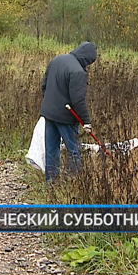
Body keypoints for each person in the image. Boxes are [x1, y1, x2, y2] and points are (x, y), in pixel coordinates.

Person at [40, 41, 97, 182]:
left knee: (51, 149)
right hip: (66, 117)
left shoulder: (56, 60)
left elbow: (44, 86)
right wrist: (86, 121)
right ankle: (72, 181)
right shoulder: (78, 71)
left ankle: (51, 182)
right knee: (74, 150)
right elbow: (78, 100)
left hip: (48, 113)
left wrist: (51, 103)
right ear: (87, 58)